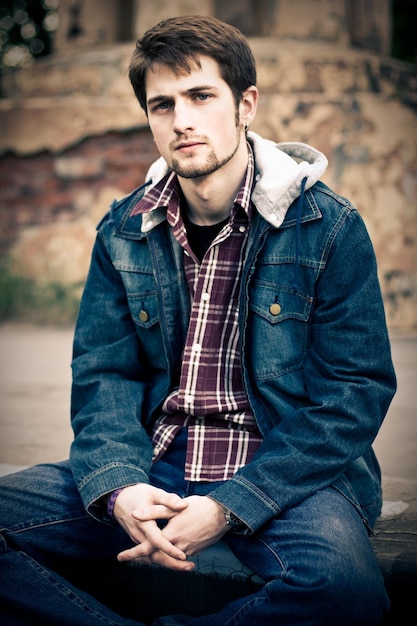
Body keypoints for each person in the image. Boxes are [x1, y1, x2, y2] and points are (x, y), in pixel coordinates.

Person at [0, 14, 396, 626]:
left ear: (246, 104)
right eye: (162, 105)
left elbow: (354, 392)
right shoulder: (125, 229)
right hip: (154, 463)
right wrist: (118, 485)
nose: (181, 120)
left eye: (201, 96)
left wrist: (233, 504)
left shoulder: (329, 228)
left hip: (282, 474)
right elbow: (104, 375)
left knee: (345, 593)